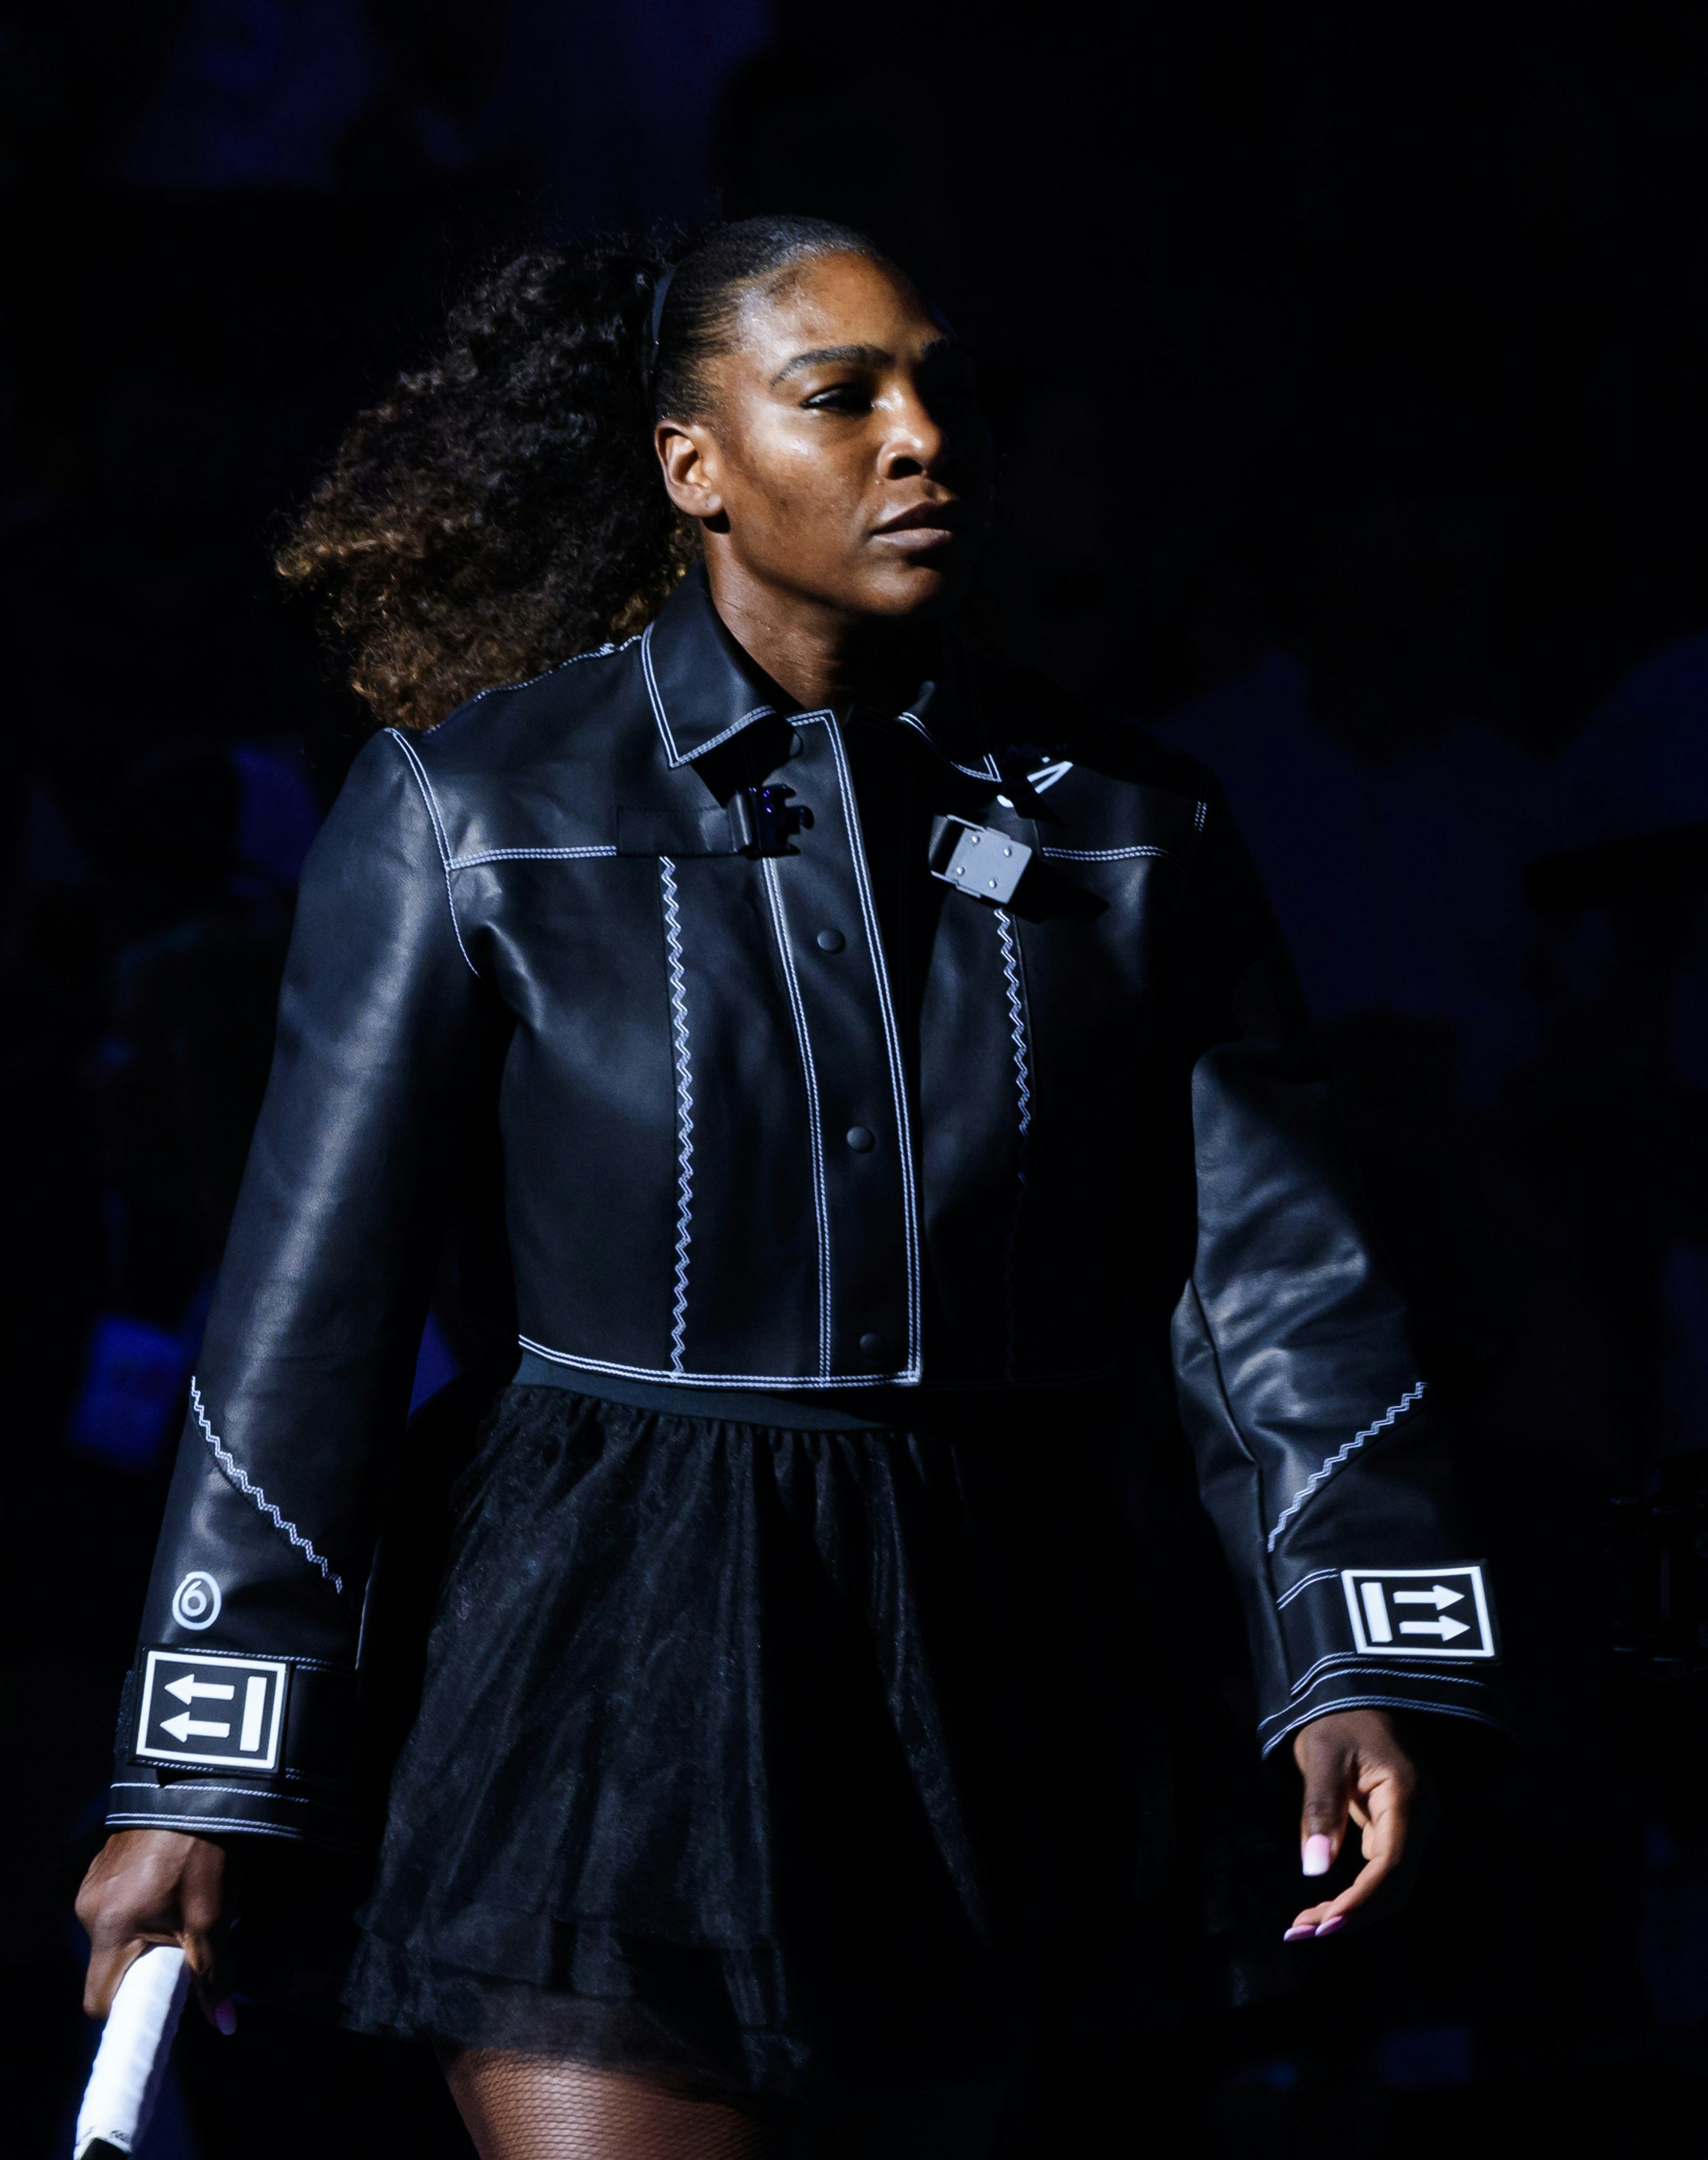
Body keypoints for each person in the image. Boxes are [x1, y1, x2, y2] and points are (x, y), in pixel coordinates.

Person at [73, 217, 1506, 2158]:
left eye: (947, 393)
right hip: (597, 1651)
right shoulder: (473, 809)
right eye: (842, 398)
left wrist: (1355, 1645)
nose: (923, 439)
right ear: (695, 467)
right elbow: (304, 1327)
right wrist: (198, 1774)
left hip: (997, 1656)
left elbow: (1278, 1283)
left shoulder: (1127, 822)